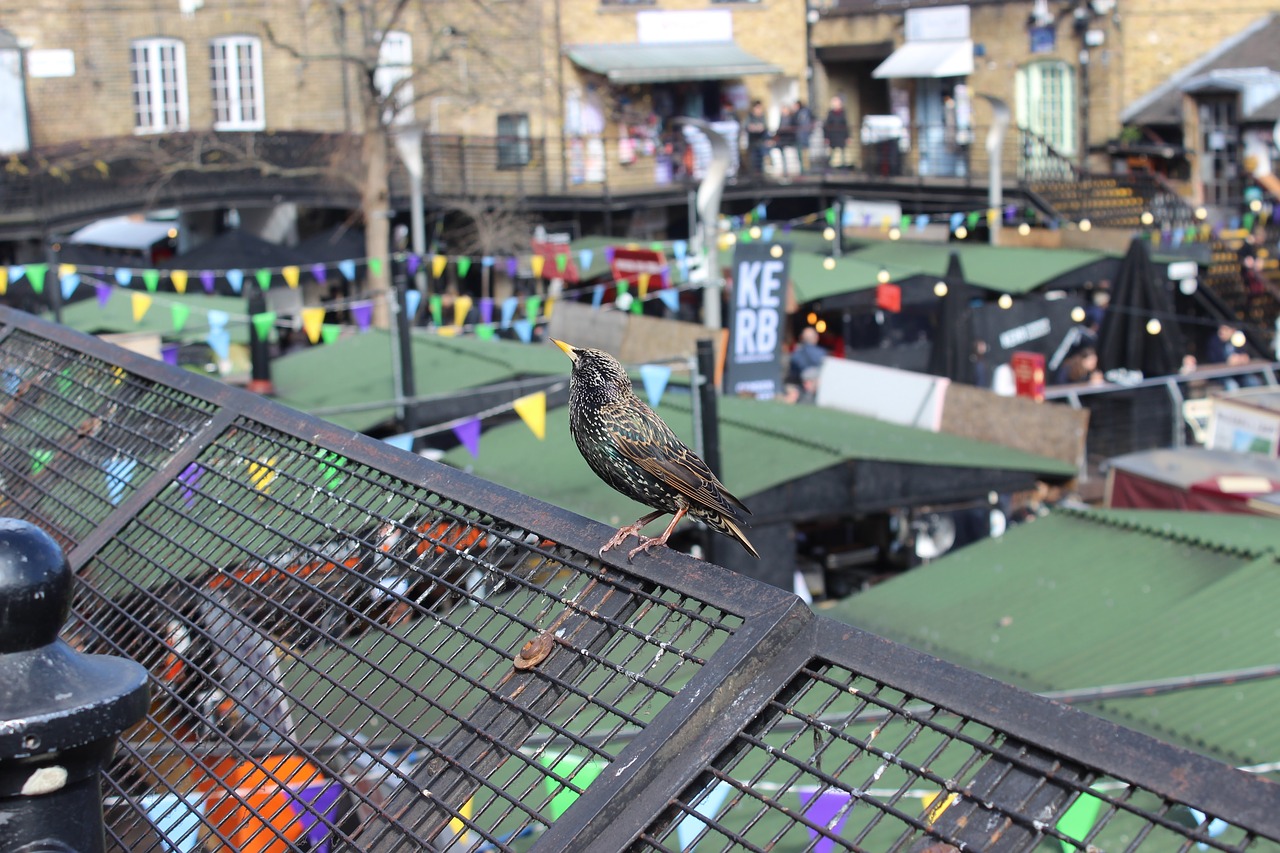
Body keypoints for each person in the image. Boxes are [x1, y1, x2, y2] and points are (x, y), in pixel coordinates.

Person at [823, 95, 850, 169]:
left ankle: (844, 169)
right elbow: (826, 126)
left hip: (841, 136)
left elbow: (845, 125)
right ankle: (827, 169)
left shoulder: (843, 113)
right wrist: (826, 137)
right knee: (831, 153)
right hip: (832, 136)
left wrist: (847, 137)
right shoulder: (830, 113)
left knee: (843, 153)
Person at [744, 100, 769, 178]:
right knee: (753, 161)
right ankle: (754, 178)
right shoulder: (750, 117)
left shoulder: (762, 117)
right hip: (752, 143)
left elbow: (764, 127)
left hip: (761, 142)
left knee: (761, 161)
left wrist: (757, 127)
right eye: (757, 108)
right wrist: (755, 127)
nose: (759, 110)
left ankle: (761, 177)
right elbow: (746, 126)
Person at [793, 100, 814, 173]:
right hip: (799, 137)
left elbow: (811, 121)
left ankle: (806, 170)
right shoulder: (797, 113)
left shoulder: (804, 112)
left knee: (805, 154)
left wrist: (810, 131)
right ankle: (803, 170)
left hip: (803, 137)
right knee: (801, 154)